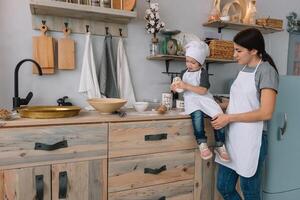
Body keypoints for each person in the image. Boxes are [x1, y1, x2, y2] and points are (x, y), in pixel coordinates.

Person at [211, 28, 279, 200]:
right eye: (235, 49)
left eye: (239, 50)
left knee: (250, 193)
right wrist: (215, 104)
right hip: (233, 137)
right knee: (224, 186)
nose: (234, 55)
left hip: (252, 140)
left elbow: (266, 112)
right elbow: (241, 103)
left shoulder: (266, 71)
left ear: (254, 50)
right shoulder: (243, 70)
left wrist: (229, 117)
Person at [171, 41, 230, 162]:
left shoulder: (203, 72)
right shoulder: (183, 73)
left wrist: (186, 85)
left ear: (200, 62)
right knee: (197, 116)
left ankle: (220, 145)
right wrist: (174, 88)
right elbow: (180, 89)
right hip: (192, 101)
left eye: (193, 62)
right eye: (187, 61)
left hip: (205, 99)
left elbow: (203, 90)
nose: (189, 64)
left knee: (218, 116)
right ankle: (202, 143)